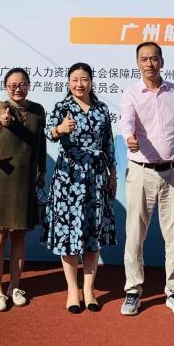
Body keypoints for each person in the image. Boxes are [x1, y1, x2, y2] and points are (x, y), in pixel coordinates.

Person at [119, 42, 174, 317]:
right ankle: (133, 291)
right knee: (134, 236)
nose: (149, 64)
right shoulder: (131, 94)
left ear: (162, 61)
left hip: (173, 171)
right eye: (144, 59)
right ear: (137, 63)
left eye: (154, 58)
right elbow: (127, 123)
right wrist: (129, 138)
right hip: (141, 172)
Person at [43, 63, 117, 313]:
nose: (79, 84)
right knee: (69, 234)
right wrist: (59, 129)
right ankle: (72, 291)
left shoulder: (102, 109)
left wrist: (113, 174)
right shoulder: (61, 107)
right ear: (68, 82)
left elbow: (108, 144)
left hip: (96, 177)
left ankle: (89, 289)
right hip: (69, 178)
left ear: (91, 81)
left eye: (84, 79)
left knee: (92, 233)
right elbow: (48, 133)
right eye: (74, 79)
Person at [0, 68, 46, 311]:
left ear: (29, 85)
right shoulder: (1, 106)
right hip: (1, 181)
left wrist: (42, 170)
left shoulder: (38, 110)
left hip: (26, 180)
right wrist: (4, 118)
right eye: (12, 85)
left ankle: (15, 287)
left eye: (22, 84)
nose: (17, 89)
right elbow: (0, 113)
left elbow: (41, 143)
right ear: (5, 86)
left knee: (20, 235)